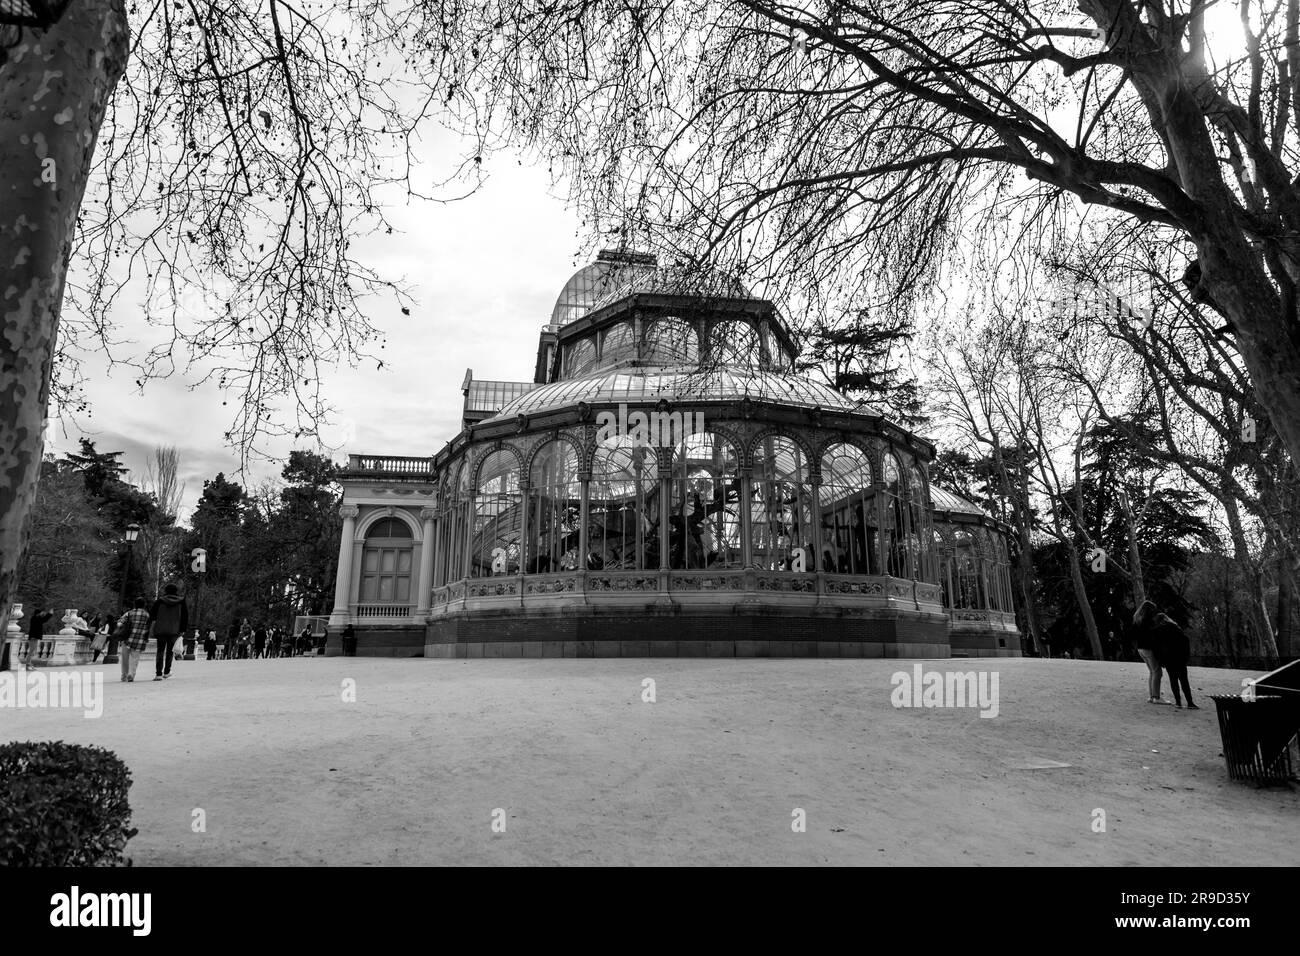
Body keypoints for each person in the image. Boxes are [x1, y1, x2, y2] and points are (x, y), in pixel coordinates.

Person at [1153, 610, 1197, 709]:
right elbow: (1185, 640)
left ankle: (1178, 702)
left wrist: (1161, 660)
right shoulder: (1176, 628)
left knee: (1173, 680)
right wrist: (1186, 656)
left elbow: (1157, 648)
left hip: (1168, 659)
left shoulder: (1158, 631)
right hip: (1180, 657)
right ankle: (1190, 702)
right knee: (1184, 680)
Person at [148, 583, 189, 681]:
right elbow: (185, 617)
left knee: (160, 651)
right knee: (170, 651)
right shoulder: (181, 601)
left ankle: (158, 674)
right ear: (176, 591)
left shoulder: (160, 601)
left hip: (161, 629)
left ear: (166, 591)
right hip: (174, 630)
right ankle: (166, 672)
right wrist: (182, 630)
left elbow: (152, 615)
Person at [1132, 600, 1170, 704]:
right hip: (1148, 648)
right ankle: (1156, 697)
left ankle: (1152, 696)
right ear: (1149, 610)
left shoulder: (1137, 619)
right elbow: (1153, 636)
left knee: (1152, 672)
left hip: (1140, 649)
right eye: (1153, 609)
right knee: (1157, 672)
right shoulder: (1148, 620)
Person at [115, 597, 151, 682]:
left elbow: (119, 624)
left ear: (135, 604)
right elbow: (148, 628)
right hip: (140, 640)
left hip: (127, 639)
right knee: (135, 658)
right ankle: (131, 674)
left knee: (125, 659)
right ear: (144, 605)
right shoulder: (147, 615)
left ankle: (124, 675)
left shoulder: (129, 613)